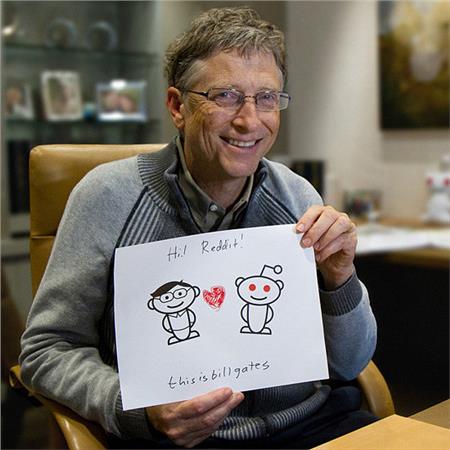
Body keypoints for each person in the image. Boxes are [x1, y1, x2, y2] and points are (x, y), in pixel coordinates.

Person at [20, 7, 377, 449]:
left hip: (309, 424)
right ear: (177, 106)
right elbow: (46, 350)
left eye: (267, 97)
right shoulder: (107, 196)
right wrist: (134, 409)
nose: (250, 121)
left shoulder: (297, 196)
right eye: (226, 96)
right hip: (176, 440)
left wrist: (340, 278)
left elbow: (350, 363)